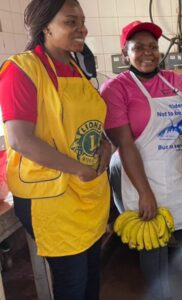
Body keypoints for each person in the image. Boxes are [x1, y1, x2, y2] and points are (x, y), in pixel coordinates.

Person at [0, 0, 111, 299]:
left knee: (91, 274)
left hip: (86, 191)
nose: (81, 29)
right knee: (72, 282)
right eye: (70, 21)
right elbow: (20, 139)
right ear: (45, 25)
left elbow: (89, 124)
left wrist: (106, 144)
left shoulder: (77, 68)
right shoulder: (22, 69)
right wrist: (79, 168)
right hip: (50, 196)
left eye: (82, 21)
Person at [100, 21, 182, 300]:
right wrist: (146, 193)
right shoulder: (115, 89)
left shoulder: (174, 81)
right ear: (125, 54)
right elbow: (124, 144)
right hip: (144, 186)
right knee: (156, 263)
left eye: (153, 47)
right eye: (138, 48)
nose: (147, 53)